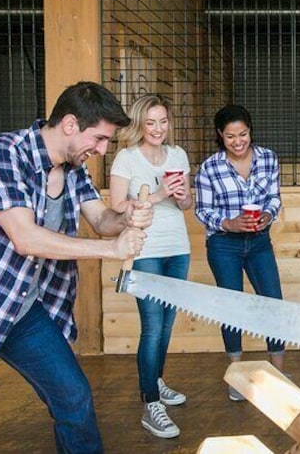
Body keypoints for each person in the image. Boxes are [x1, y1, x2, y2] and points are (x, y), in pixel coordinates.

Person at [0, 81, 152, 453]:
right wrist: (112, 249)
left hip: (23, 310)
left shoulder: (74, 170)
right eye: (98, 139)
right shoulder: (2, 154)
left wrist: (127, 216)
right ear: (69, 124)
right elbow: (25, 239)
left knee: (74, 398)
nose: (101, 150)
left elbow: (101, 220)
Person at [109, 94, 193, 439]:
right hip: (145, 249)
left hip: (178, 248)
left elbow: (186, 204)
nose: (158, 129)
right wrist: (158, 194)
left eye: (163, 121)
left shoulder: (178, 155)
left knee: (168, 325)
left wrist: (181, 195)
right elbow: (115, 206)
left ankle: (155, 382)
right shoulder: (126, 158)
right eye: (151, 122)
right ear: (140, 125)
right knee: (153, 328)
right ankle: (150, 403)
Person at [194, 104, 285, 401]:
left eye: (243, 134)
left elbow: (274, 198)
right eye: (231, 136)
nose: (238, 141)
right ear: (221, 135)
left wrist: (268, 217)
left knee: (273, 302)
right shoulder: (210, 167)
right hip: (223, 244)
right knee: (231, 307)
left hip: (259, 241)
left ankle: (279, 373)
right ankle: (236, 376)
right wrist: (229, 224)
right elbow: (202, 210)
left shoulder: (268, 159)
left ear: (250, 131)